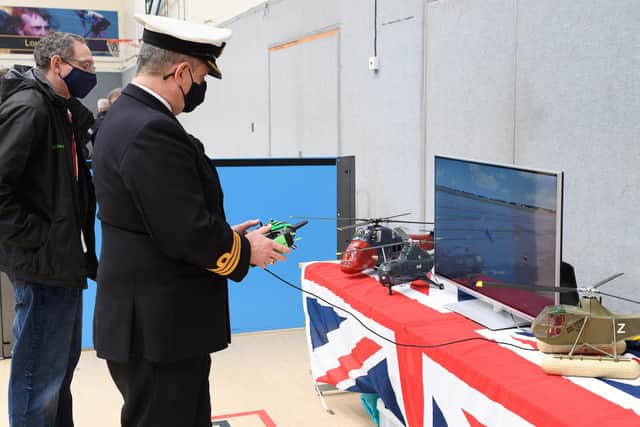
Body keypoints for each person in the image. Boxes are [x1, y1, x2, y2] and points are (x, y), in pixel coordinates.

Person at [92, 14, 290, 427]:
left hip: (149, 319)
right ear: (181, 71)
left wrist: (224, 237)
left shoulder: (124, 116)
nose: (200, 88)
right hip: (159, 326)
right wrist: (244, 251)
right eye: (200, 76)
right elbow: (185, 233)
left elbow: (159, 218)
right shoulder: (151, 130)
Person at [0, 31, 98, 426]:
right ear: (57, 64)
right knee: (36, 380)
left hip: (62, 265)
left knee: (57, 376)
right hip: (43, 267)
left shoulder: (63, 111)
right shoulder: (31, 108)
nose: (91, 74)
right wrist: (39, 241)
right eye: (86, 65)